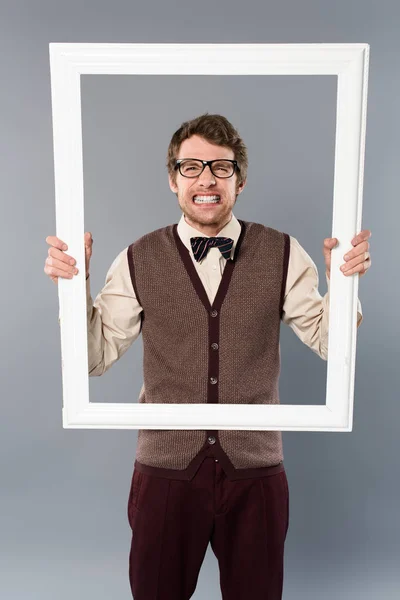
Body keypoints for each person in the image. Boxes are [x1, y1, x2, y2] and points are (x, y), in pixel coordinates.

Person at [44, 113, 372, 600]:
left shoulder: (284, 253)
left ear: (240, 179)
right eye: (191, 166)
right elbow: (91, 358)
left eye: (221, 168)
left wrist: (344, 287)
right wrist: (74, 288)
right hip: (165, 471)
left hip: (255, 472)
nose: (206, 180)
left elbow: (331, 343)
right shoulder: (138, 257)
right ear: (172, 178)